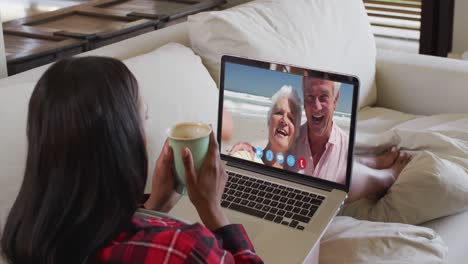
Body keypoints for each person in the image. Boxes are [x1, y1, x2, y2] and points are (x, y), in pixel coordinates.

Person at [0, 57, 263, 264]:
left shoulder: (24, 236)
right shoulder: (184, 249)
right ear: (121, 141)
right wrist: (212, 210)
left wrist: (154, 206)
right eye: (143, 118)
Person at [229, 85, 301, 168]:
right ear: (269, 121)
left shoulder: (299, 175)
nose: (284, 120)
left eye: (291, 118)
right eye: (279, 113)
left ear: (296, 133)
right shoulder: (244, 158)